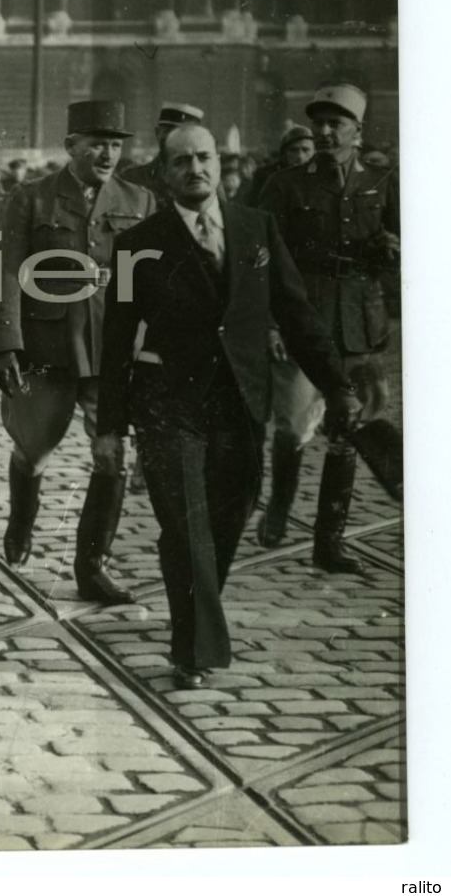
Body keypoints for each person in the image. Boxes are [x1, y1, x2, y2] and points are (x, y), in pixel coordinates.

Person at [98, 124, 359, 688]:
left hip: (241, 401)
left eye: (205, 157)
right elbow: (117, 337)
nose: (196, 168)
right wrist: (110, 426)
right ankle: (194, 649)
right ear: (164, 174)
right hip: (169, 404)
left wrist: (337, 386)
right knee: (186, 528)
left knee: (229, 517)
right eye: (182, 161)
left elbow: (296, 315)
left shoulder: (256, 228)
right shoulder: (135, 245)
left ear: (219, 164)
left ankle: (195, 617)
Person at [0, 99, 156, 604]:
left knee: (111, 455)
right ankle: (22, 520)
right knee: (33, 446)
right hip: (47, 342)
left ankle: (91, 565)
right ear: (71, 147)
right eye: (95, 144)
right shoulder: (32, 198)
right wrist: (5, 344)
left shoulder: (139, 200)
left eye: (114, 144)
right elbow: (8, 271)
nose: (106, 154)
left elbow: (151, 281)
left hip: (111, 347)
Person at [255, 83, 400, 571]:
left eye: (335, 123)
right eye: (318, 122)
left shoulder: (382, 182)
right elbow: (265, 263)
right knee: (293, 425)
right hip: (303, 322)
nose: (323, 130)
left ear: (358, 131)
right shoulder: (285, 185)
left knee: (351, 428)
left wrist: (393, 248)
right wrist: (273, 325)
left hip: (360, 324)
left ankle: (329, 542)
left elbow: (406, 244)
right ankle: (279, 504)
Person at [121, 102, 206, 198]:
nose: (173, 140)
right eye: (168, 132)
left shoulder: (204, 180)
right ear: (157, 133)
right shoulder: (132, 178)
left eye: (181, 135)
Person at [244, 124, 315, 206]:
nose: (299, 156)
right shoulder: (267, 177)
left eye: (305, 150)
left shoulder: (322, 177)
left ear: (314, 152)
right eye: (293, 150)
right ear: (284, 154)